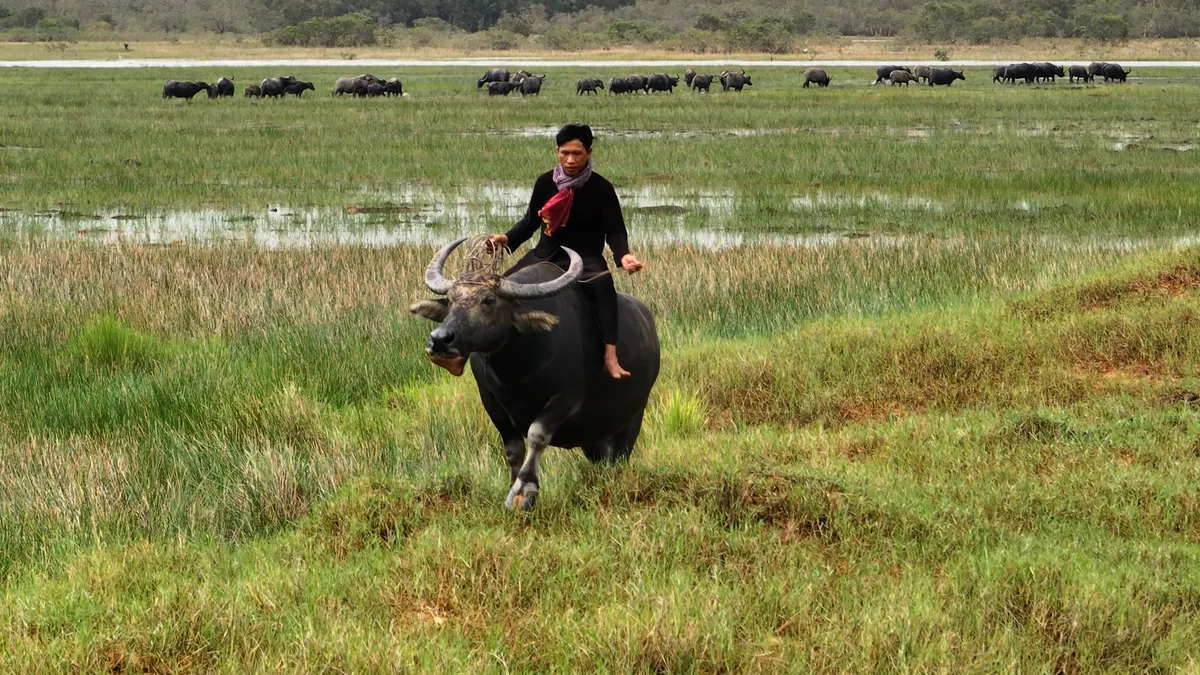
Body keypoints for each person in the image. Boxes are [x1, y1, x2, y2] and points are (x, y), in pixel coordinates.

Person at [488, 123, 644, 379]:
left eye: (577, 153)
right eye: (564, 153)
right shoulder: (545, 182)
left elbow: (615, 230)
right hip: (545, 253)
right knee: (499, 288)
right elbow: (530, 221)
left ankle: (610, 356)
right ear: (557, 152)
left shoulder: (601, 188)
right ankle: (469, 350)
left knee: (604, 289)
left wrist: (623, 255)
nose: (570, 160)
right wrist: (506, 238)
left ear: (589, 152)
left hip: (586, 258)